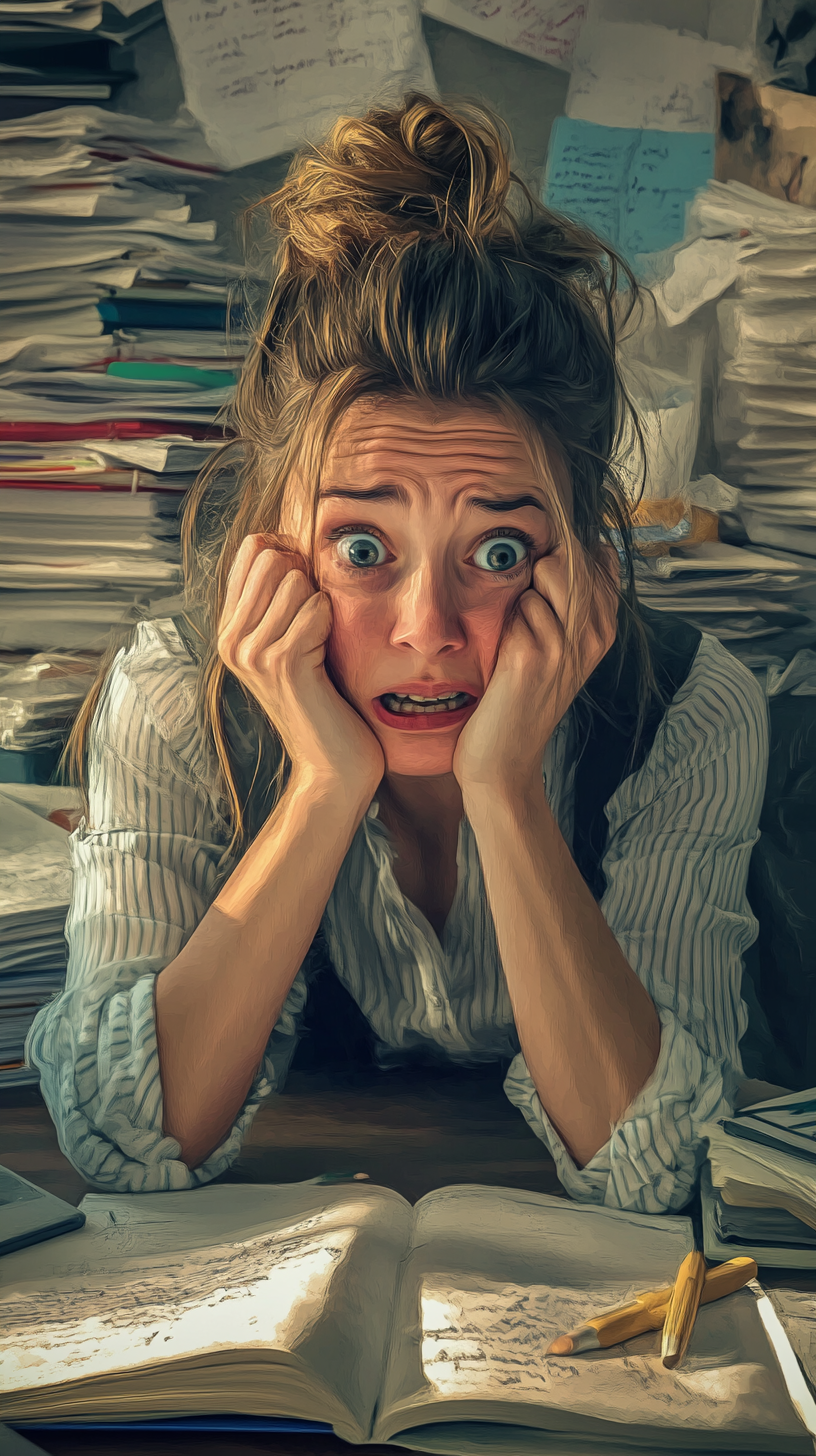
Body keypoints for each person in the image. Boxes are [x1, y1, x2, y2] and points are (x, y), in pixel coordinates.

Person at [27, 93, 769, 1212]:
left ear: (577, 550)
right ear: (277, 541)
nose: (428, 625)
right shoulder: (176, 695)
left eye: (500, 547)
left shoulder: (690, 709)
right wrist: (324, 785)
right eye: (363, 545)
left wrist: (506, 792)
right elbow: (126, 1139)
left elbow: (660, 1163)